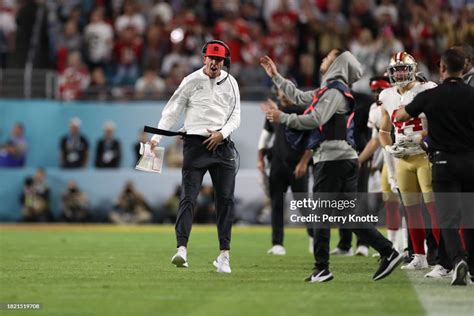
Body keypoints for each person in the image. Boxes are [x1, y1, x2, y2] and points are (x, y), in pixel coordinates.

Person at [260, 48, 402, 283]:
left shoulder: (334, 92)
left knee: (320, 214)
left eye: (327, 57)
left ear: (337, 64)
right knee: (348, 215)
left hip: (332, 159)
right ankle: (388, 251)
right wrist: (276, 75)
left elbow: (315, 119)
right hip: (341, 158)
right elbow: (298, 97)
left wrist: (282, 118)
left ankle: (322, 268)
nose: (323, 59)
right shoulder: (330, 91)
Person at [149, 40, 240, 273]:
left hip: (222, 146)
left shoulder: (232, 84)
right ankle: (181, 250)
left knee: (226, 200)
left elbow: (235, 116)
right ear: (204, 58)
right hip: (195, 144)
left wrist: (222, 134)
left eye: (218, 59)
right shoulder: (190, 81)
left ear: (224, 61)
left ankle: (224, 256)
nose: (214, 62)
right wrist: (156, 139)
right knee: (188, 198)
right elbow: (172, 111)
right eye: (211, 57)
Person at [396, 47, 474, 286]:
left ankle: (457, 259)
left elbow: (400, 116)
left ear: (441, 68)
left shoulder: (430, 95)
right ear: (464, 67)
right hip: (471, 161)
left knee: (448, 219)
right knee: (471, 217)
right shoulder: (472, 94)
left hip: (443, 162)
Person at [378, 52, 440, 270]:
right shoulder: (386, 95)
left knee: (434, 209)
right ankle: (419, 256)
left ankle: (444, 259)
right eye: (396, 70)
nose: (400, 73)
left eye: (404, 68)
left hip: (424, 155)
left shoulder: (427, 89)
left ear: (413, 69)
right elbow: (384, 130)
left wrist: (421, 137)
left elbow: (438, 122)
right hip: (402, 158)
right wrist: (388, 147)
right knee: (411, 210)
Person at [258, 86, 314, 255]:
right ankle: (277, 244)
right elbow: (265, 137)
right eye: (280, 91)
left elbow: (312, 141)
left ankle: (314, 237)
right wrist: (259, 159)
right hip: (277, 164)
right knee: (276, 205)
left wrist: (304, 163)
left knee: (303, 205)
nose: (282, 94)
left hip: (297, 165)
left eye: (285, 90)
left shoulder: (304, 112)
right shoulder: (274, 111)